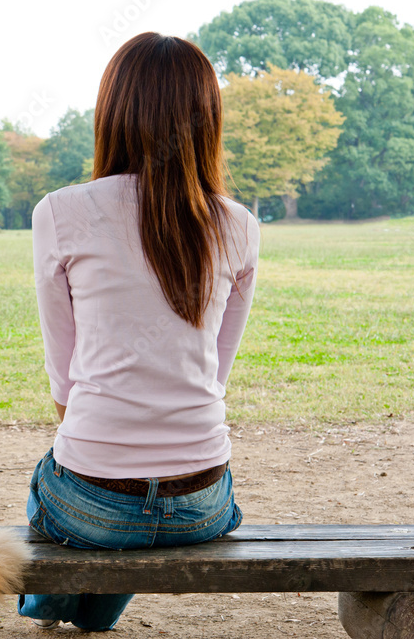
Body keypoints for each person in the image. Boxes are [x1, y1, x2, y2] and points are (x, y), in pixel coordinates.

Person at [19, 32, 261, 631]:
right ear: (207, 120)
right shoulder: (241, 226)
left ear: (113, 114)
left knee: (50, 487)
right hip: (202, 503)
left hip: (93, 503)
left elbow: (64, 381)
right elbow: (215, 372)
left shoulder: (59, 212)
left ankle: (49, 607)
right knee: (117, 510)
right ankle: (96, 610)